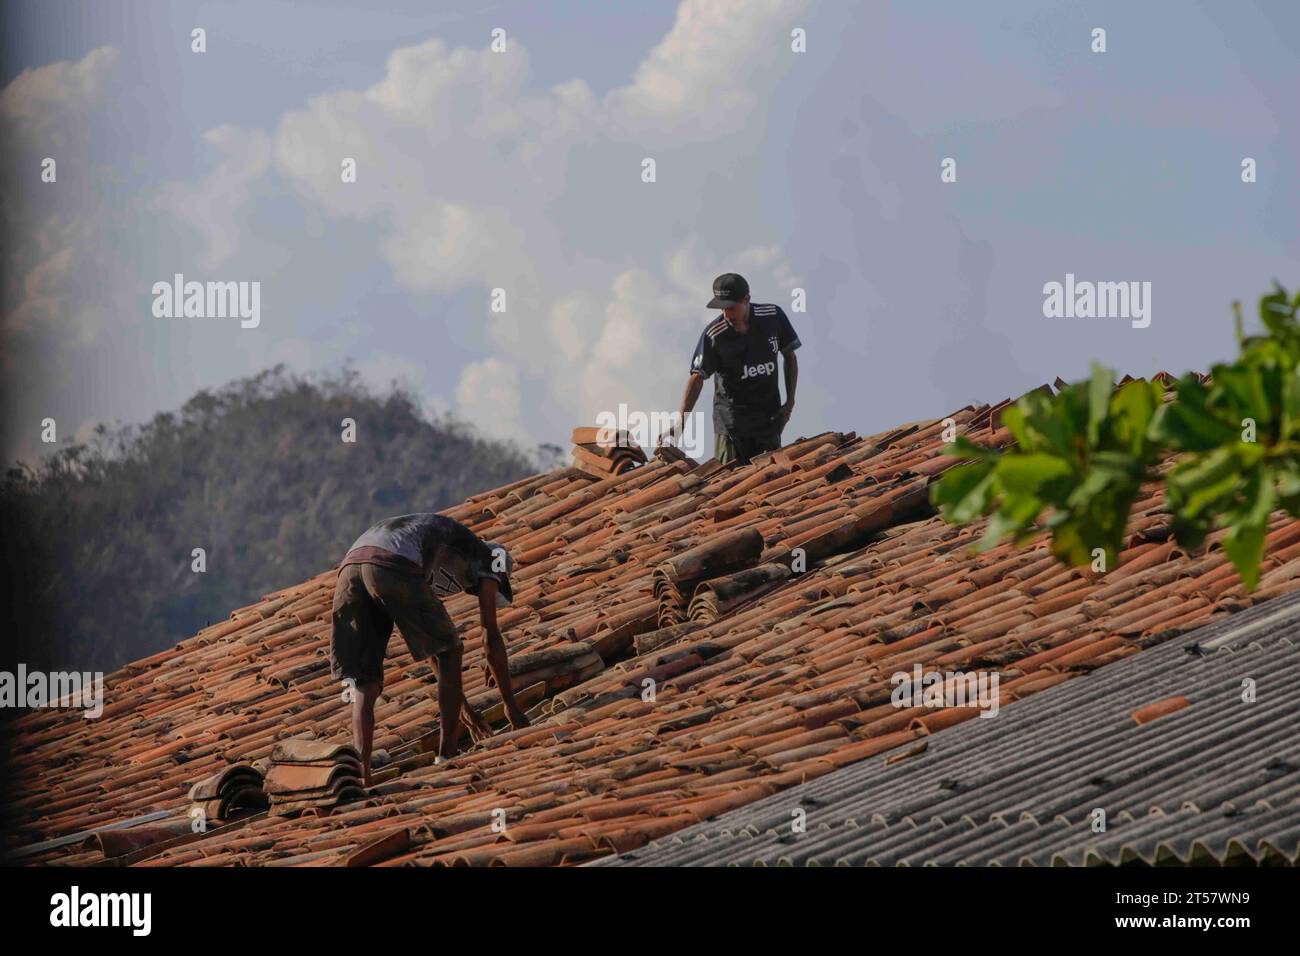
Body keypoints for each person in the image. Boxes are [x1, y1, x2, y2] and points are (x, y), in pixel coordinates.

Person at [330, 513, 529, 782]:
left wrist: (466, 711)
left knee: (366, 681)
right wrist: (511, 707)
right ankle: (447, 755)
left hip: (351, 566)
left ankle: (362, 773)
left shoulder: (437, 560)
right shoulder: (492, 558)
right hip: (391, 563)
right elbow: (489, 637)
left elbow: (434, 650)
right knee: (453, 651)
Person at [663, 272, 801, 465]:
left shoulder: (773, 317)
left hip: (768, 421)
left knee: (770, 477)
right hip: (731, 427)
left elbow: (790, 356)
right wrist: (681, 421)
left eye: (730, 307)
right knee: (728, 480)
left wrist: (790, 403)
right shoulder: (715, 335)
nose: (726, 314)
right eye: (721, 308)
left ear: (747, 299)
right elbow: (697, 378)